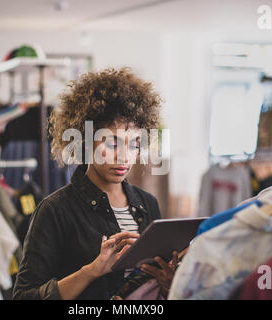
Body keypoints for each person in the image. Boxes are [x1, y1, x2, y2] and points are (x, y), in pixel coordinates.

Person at [13, 67, 177, 300]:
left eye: (134, 144)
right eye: (112, 144)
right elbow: (24, 297)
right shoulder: (55, 210)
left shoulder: (147, 203)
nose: (124, 156)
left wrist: (169, 286)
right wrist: (91, 272)